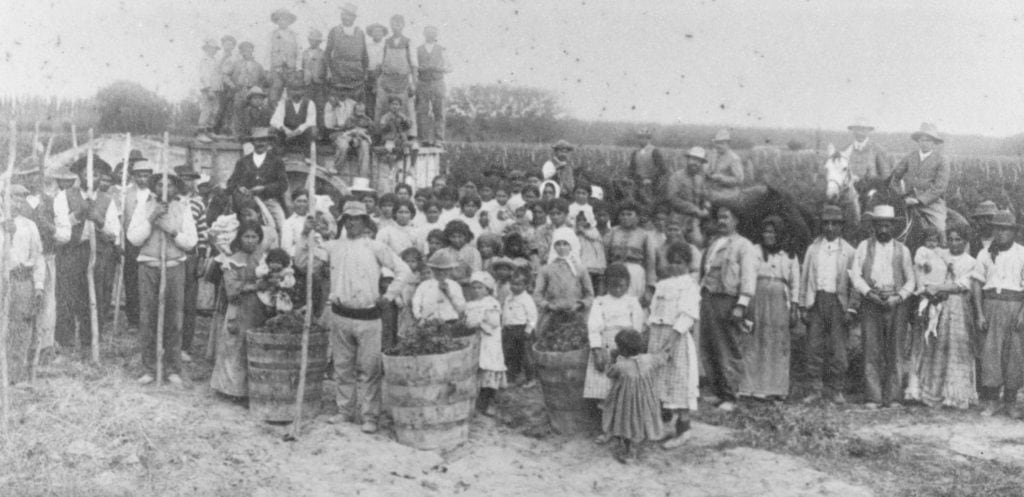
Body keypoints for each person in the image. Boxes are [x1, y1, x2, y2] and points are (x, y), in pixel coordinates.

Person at [295, 201, 410, 433]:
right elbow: (303, 264)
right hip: (340, 315)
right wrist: (306, 233)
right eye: (348, 218)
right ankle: (345, 410)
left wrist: (388, 296)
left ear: (365, 222)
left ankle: (369, 416)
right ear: (343, 222)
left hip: (369, 316)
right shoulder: (332, 246)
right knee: (342, 367)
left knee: (369, 369)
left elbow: (404, 270)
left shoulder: (375, 246)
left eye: (357, 218)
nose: (352, 222)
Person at [127, 172, 199, 386]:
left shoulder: (183, 208)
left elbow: (191, 242)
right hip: (149, 266)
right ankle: (150, 367)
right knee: (148, 319)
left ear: (176, 188)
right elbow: (133, 238)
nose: (164, 189)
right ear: (153, 187)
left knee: (174, 319)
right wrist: (151, 219)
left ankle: (173, 368)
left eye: (170, 185)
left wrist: (173, 231)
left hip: (174, 266)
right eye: (160, 185)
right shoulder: (144, 207)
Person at [848, 204, 916, 408]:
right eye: (880, 226)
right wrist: (868, 293)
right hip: (871, 301)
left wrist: (900, 296)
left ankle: (894, 397)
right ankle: (873, 397)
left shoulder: (902, 250)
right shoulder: (863, 247)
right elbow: (855, 275)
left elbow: (911, 280)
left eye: (887, 226)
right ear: (874, 227)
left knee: (895, 350)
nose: (884, 230)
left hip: (896, 302)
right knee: (871, 349)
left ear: (893, 227)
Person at [914, 224, 980, 409]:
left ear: (965, 242)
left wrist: (939, 287)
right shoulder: (940, 254)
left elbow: (962, 284)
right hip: (939, 305)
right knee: (937, 346)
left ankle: (956, 395)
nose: (953, 243)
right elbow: (928, 271)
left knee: (957, 347)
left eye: (958, 239)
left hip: (958, 307)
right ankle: (935, 393)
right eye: (950, 239)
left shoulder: (970, 262)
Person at [700, 205, 758, 411]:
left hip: (728, 300)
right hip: (708, 297)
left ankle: (731, 395)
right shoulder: (714, 243)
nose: (722, 221)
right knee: (709, 346)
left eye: (726, 217)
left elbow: (748, 277)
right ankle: (718, 392)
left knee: (728, 346)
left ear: (736, 221)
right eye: (719, 218)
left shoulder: (744, 245)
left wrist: (741, 304)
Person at [798, 205, 855, 404]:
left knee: (838, 349)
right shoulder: (813, 249)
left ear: (841, 226)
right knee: (814, 346)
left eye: (835, 224)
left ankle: (836, 389)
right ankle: (814, 389)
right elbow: (804, 278)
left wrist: (851, 309)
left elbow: (854, 284)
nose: (830, 228)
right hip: (817, 300)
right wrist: (803, 306)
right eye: (826, 223)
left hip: (838, 303)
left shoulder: (849, 251)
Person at [739, 215, 800, 400]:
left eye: (773, 232)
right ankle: (751, 387)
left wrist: (795, 307)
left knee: (777, 342)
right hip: (758, 297)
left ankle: (776, 389)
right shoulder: (754, 251)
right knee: (754, 341)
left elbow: (795, 283)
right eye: (766, 231)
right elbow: (748, 276)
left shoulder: (789, 254)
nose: (768, 235)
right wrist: (747, 302)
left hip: (780, 301)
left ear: (780, 233)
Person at [646, 242, 700, 449]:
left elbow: (687, 316)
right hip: (658, 336)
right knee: (659, 380)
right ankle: (661, 424)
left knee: (679, 381)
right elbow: (654, 311)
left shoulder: (689, 286)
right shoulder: (663, 284)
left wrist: (672, 340)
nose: (675, 267)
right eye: (672, 262)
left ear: (687, 264)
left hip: (676, 338)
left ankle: (683, 429)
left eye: (679, 263)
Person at [973, 210, 1024, 418]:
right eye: (998, 229)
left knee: (1014, 355)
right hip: (990, 304)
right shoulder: (984, 254)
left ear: (1013, 232)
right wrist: (979, 313)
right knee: (991, 354)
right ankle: (992, 400)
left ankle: (1011, 402)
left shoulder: (1021, 253)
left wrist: (1022, 313)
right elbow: (977, 283)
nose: (1001, 233)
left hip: (1014, 306)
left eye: (1006, 229)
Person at [210, 221, 266, 397]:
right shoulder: (232, 261)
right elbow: (232, 290)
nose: (250, 240)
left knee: (255, 348)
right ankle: (232, 390)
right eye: (246, 236)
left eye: (254, 237)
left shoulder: (263, 259)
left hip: (259, 309)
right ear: (240, 239)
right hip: (239, 309)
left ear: (259, 239)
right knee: (235, 347)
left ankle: (253, 390)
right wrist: (255, 286)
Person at [585, 264, 643, 428]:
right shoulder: (600, 302)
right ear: (606, 284)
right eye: (613, 286)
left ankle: (624, 425)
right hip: (606, 346)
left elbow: (637, 327)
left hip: (627, 346)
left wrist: (630, 348)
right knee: (605, 388)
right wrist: (597, 350)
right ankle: (606, 427)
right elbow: (594, 327)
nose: (617, 289)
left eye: (621, 286)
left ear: (628, 284)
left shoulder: (632, 302)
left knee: (625, 387)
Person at [1, 185, 46, 384]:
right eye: (13, 198)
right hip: (3, 279)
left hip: (22, 281)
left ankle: (14, 375)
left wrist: (38, 285)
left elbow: (37, 256)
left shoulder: (29, 225)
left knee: (20, 328)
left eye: (21, 199)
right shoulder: (3, 225)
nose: (17, 203)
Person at [602, 329, 667, 463]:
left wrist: (611, 359)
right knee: (643, 420)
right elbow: (662, 360)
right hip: (646, 399)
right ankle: (639, 445)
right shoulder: (649, 359)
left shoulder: (621, 365)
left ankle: (629, 453)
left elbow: (609, 373)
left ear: (622, 350)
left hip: (626, 402)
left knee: (627, 423)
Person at [890, 123, 951, 245]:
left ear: (934, 143)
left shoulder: (942, 159)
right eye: (922, 140)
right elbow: (894, 177)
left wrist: (919, 200)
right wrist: (900, 195)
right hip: (907, 200)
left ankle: (944, 249)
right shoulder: (910, 157)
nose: (924, 143)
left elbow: (940, 186)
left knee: (939, 227)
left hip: (931, 204)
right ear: (918, 141)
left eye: (928, 140)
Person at [535, 230, 595, 347]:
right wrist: (548, 305)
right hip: (553, 315)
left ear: (571, 245)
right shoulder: (546, 269)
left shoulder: (580, 269)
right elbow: (537, 295)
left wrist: (580, 305)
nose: (561, 248)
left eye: (565, 244)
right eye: (558, 244)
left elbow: (590, 295)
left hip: (575, 315)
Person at [226, 127, 289, 236]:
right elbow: (231, 183)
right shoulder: (243, 162)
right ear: (253, 143)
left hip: (269, 201)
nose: (260, 144)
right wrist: (239, 187)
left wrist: (265, 188)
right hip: (247, 203)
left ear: (268, 142)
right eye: (257, 141)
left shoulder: (276, 161)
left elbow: (283, 184)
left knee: (283, 226)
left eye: (263, 140)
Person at [176, 165, 209, 362]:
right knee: (173, 301)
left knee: (188, 304)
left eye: (190, 179)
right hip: (173, 256)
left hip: (190, 256)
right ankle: (169, 343)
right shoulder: (169, 201)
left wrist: (202, 258)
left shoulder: (198, 204)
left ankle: (185, 346)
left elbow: (203, 232)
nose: (186, 182)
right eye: (183, 178)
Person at [119, 152, 153, 330]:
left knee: (148, 279)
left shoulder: (154, 193)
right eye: (139, 175)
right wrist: (121, 242)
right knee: (131, 280)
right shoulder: (126, 193)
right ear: (133, 176)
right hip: (131, 241)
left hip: (150, 241)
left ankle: (148, 316)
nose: (143, 178)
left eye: (146, 175)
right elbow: (121, 218)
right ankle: (133, 319)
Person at [466, 271, 506, 415]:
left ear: (488, 289)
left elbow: (494, 322)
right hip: (476, 340)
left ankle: (489, 402)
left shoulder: (492, 303)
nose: (476, 291)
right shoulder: (470, 304)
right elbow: (468, 323)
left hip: (490, 341)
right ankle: (476, 402)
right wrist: (476, 322)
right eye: (474, 288)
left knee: (489, 369)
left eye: (480, 288)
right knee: (477, 369)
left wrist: (479, 322)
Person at [603, 202, 657, 302]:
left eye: (629, 214)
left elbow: (650, 262)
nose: (625, 217)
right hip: (614, 270)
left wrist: (650, 287)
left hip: (635, 272)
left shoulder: (644, 234)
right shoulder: (612, 232)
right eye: (622, 214)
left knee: (633, 302)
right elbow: (604, 256)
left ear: (637, 217)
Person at [375, 15, 417, 138]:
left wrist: (413, 83)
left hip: (403, 79)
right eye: (393, 24)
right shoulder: (386, 42)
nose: (395, 27)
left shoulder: (408, 42)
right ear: (390, 25)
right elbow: (380, 62)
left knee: (406, 106)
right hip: (387, 78)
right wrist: (377, 81)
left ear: (403, 25)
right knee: (382, 105)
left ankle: (409, 134)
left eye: (398, 24)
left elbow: (414, 64)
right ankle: (380, 134)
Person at [325, 3, 368, 104]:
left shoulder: (360, 33)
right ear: (341, 16)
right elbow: (327, 53)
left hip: (356, 74)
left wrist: (365, 72)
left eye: (349, 15)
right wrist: (329, 70)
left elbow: (364, 55)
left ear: (354, 18)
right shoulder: (334, 31)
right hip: (338, 73)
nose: (346, 18)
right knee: (338, 103)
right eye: (344, 15)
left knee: (355, 103)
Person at [502, 266, 537, 386]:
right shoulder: (509, 298)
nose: (514, 287)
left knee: (527, 355)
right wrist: (504, 326)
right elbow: (506, 313)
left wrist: (528, 329)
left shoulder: (527, 299)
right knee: (511, 354)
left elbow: (532, 316)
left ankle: (531, 378)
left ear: (526, 286)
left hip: (522, 329)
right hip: (510, 330)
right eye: (512, 284)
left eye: (518, 285)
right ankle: (512, 377)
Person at [416, 26, 451, 146]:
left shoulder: (442, 49)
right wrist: (421, 68)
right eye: (428, 33)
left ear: (436, 35)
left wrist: (438, 68)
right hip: (423, 82)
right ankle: (423, 139)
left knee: (439, 111)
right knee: (422, 111)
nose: (431, 35)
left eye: (433, 33)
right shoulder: (418, 49)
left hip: (438, 82)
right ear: (424, 34)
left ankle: (439, 139)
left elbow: (450, 67)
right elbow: (414, 66)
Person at [414, 250, 464, 325]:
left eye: (445, 270)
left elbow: (461, 307)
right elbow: (416, 302)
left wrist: (449, 294)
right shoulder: (424, 285)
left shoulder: (454, 285)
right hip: (429, 321)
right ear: (432, 269)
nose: (441, 273)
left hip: (450, 320)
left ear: (450, 270)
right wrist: (419, 316)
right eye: (437, 270)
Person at [326, 99, 373, 177]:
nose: (360, 114)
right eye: (358, 112)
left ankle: (363, 176)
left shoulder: (367, 120)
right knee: (343, 145)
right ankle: (336, 167)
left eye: (362, 112)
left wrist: (364, 134)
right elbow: (346, 130)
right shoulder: (350, 118)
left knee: (365, 146)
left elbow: (370, 131)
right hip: (347, 136)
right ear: (354, 111)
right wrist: (353, 132)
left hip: (361, 138)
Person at [230, 43, 268, 137]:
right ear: (241, 52)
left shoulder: (258, 65)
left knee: (254, 111)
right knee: (238, 110)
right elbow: (225, 75)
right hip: (240, 90)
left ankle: (253, 133)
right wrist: (232, 86)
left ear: (252, 51)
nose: (246, 52)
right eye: (244, 50)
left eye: (248, 49)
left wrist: (259, 89)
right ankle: (238, 135)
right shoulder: (236, 63)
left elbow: (263, 78)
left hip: (253, 91)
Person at [703, 130, 745, 207]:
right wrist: (706, 171)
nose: (718, 146)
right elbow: (707, 167)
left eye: (722, 143)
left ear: (728, 144)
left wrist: (721, 178)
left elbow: (739, 180)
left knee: (711, 201)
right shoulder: (713, 154)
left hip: (728, 192)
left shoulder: (734, 158)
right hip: (713, 188)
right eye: (717, 143)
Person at [843, 117, 893, 182]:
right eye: (857, 129)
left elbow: (885, 175)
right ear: (853, 131)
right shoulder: (846, 149)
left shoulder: (877, 149)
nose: (860, 133)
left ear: (868, 131)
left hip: (871, 188)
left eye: (863, 130)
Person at [270, 83, 318, 149]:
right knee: (273, 128)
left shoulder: (310, 103)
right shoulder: (283, 103)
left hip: (302, 134)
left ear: (303, 91)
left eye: (299, 90)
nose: (296, 93)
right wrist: (285, 130)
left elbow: (310, 122)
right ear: (289, 91)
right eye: (293, 90)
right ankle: (281, 152)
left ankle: (307, 153)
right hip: (287, 134)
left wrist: (295, 132)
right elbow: (275, 120)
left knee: (313, 130)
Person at [628, 128, 668, 207]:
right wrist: (632, 178)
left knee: (649, 204)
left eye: (644, 138)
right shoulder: (635, 152)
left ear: (649, 139)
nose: (641, 140)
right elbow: (631, 169)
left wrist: (651, 179)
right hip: (638, 183)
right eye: (639, 138)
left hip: (651, 184)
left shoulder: (654, 151)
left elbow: (663, 169)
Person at [268, 8, 299, 104]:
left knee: (292, 92)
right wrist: (267, 69)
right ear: (277, 21)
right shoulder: (272, 34)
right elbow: (267, 52)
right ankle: (273, 114)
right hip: (277, 69)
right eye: (280, 19)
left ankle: (291, 116)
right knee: (275, 91)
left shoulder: (294, 35)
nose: (283, 22)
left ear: (289, 21)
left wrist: (298, 68)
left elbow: (298, 52)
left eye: (285, 19)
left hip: (291, 68)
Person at [302, 29, 328, 137]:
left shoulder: (323, 53)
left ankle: (320, 132)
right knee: (307, 107)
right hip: (307, 84)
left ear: (320, 42)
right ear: (309, 40)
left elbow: (327, 68)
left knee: (320, 107)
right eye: (312, 40)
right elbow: (302, 67)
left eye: (317, 41)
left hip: (319, 84)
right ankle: (307, 132)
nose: (314, 42)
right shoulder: (304, 53)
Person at [443, 220, 481, 293]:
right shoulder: (444, 252)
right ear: (448, 237)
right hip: (450, 289)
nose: (457, 240)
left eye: (460, 236)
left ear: (466, 236)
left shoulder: (473, 252)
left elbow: (476, 274)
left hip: (469, 289)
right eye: (453, 237)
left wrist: (460, 282)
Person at [255, 247, 296, 314]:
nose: (275, 265)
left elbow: (291, 282)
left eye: (278, 263)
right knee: (267, 305)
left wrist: (281, 283)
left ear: (284, 264)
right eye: (272, 262)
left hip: (280, 292)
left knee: (282, 307)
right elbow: (258, 272)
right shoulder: (266, 269)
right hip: (267, 291)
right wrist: (268, 273)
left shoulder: (285, 272)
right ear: (268, 262)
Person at [197, 38, 223, 142]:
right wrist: (209, 89)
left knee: (215, 110)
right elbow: (204, 76)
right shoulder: (205, 60)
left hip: (216, 89)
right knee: (206, 110)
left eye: (214, 49)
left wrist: (219, 88)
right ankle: (201, 132)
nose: (213, 50)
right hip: (208, 89)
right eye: (210, 48)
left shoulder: (216, 60)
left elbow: (219, 75)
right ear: (206, 49)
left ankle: (209, 131)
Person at [236, 86, 273, 152]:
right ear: (250, 100)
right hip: (249, 139)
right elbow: (246, 127)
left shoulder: (267, 111)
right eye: (255, 98)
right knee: (249, 151)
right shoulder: (246, 112)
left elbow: (271, 124)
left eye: (260, 98)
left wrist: (269, 129)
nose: (258, 100)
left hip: (263, 139)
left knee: (269, 151)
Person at [216, 35, 240, 135]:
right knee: (217, 108)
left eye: (230, 44)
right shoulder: (217, 57)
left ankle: (228, 129)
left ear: (233, 46)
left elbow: (232, 73)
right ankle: (216, 130)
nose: (228, 46)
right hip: (217, 86)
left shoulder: (235, 58)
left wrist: (232, 86)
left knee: (228, 108)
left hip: (229, 86)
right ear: (222, 45)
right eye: (226, 44)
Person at [365, 23, 388, 120]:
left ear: (383, 34)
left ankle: (379, 127)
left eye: (380, 31)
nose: (377, 33)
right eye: (375, 31)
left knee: (380, 102)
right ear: (371, 33)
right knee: (368, 102)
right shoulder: (367, 45)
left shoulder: (386, 46)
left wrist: (377, 79)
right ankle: (370, 126)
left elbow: (384, 62)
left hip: (381, 75)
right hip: (368, 75)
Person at [281, 189, 311, 256]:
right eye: (299, 201)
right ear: (293, 202)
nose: (302, 204)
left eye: (305, 201)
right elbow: (286, 249)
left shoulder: (312, 218)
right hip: (299, 259)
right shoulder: (288, 223)